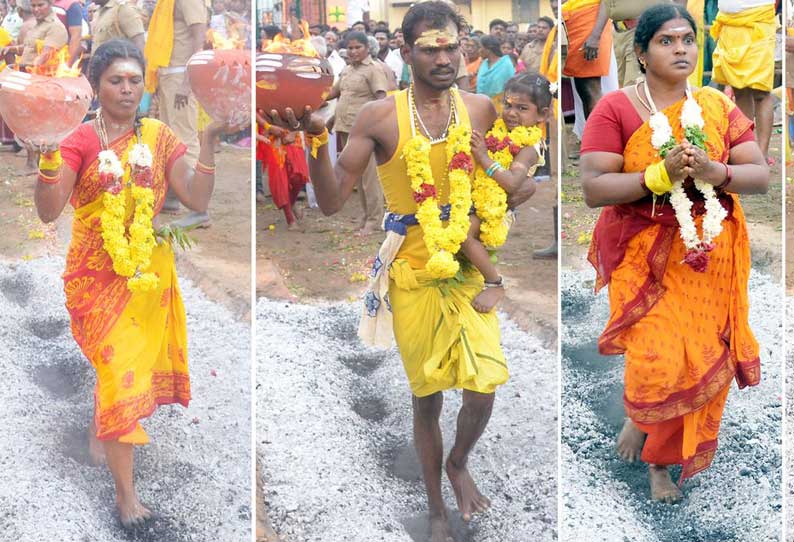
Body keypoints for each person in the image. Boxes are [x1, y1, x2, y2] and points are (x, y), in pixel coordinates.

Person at [267, 3, 535, 540]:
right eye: (430, 48)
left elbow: (513, 183)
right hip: (411, 267)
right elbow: (333, 201)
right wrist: (316, 141)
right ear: (406, 53)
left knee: (484, 387)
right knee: (427, 394)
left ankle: (458, 462)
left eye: (450, 46)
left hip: (468, 264)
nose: (443, 57)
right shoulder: (379, 116)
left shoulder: (483, 109)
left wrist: (498, 202)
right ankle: (435, 507)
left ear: (463, 48)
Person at [32, 39, 234, 529]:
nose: (126, 89)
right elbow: (47, 210)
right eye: (115, 81)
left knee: (118, 372)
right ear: (97, 87)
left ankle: (102, 432)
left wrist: (207, 146)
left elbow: (195, 197)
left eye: (133, 80)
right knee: (118, 366)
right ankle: (128, 502)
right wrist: (48, 158)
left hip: (146, 277)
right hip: (95, 277)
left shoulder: (159, 136)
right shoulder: (79, 139)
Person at [579, 5, 767, 503]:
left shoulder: (716, 105)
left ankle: (659, 461)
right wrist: (657, 177)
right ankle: (642, 419)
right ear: (641, 53)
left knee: (700, 357)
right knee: (658, 357)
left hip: (710, 251)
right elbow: (594, 188)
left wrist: (715, 171)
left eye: (688, 39)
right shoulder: (616, 108)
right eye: (666, 41)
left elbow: (760, 175)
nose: (681, 48)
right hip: (643, 251)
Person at [463, 72, 551, 312]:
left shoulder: (530, 147)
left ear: (542, 114)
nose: (511, 113)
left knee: (464, 235)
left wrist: (482, 156)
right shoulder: (500, 130)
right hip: (479, 197)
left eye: (522, 108)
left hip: (498, 206)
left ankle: (495, 283)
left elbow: (512, 183)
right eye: (508, 104)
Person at [144, 0, 208, 225]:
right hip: (167, 75)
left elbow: (199, 37)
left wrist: (187, 83)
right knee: (169, 140)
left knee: (185, 140)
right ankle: (173, 196)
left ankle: (199, 208)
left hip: (181, 76)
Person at [323, 31, 387, 235]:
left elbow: (381, 97)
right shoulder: (347, 70)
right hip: (345, 128)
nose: (353, 51)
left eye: (357, 47)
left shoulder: (373, 70)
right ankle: (365, 216)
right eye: (350, 48)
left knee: (369, 177)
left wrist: (377, 127)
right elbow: (335, 94)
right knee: (356, 177)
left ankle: (375, 220)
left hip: (365, 132)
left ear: (366, 48)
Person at [1, 0, 67, 174]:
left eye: (40, 5)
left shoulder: (55, 27)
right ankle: (32, 162)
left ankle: (44, 163)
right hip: (29, 75)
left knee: (40, 121)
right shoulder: (36, 26)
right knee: (28, 120)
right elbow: (29, 48)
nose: (36, 9)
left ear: (50, 4)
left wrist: (28, 76)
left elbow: (45, 55)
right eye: (34, 6)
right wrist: (13, 49)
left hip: (41, 79)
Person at [710, 0, 776, 161]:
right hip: (728, 21)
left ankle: (761, 154)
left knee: (761, 92)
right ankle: (747, 149)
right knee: (739, 91)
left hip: (758, 20)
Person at [562, 0, 613, 117]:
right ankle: (592, 132)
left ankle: (600, 132)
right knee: (583, 90)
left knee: (590, 89)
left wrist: (595, 36)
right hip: (573, 21)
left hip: (590, 23)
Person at [476, 35, 515, 111]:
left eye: (480, 47)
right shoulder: (484, 64)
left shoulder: (506, 64)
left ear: (488, 49)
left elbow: (511, 89)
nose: (479, 50)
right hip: (481, 107)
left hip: (500, 109)